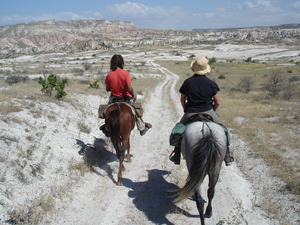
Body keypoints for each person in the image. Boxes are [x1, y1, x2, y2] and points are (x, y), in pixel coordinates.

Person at [169, 56, 234, 166]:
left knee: (179, 129)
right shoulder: (211, 83)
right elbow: (217, 101)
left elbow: (182, 99)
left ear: (194, 68)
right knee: (223, 130)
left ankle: (176, 154)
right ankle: (227, 153)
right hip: (208, 111)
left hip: (191, 112)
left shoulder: (188, 82)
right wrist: (212, 110)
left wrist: (186, 110)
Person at [100, 54, 152, 136]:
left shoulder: (109, 75)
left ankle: (106, 128)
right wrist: (133, 95)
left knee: (107, 111)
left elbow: (107, 89)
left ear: (112, 63)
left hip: (114, 98)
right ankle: (142, 127)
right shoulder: (126, 73)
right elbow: (129, 88)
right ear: (121, 63)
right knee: (135, 110)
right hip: (126, 98)